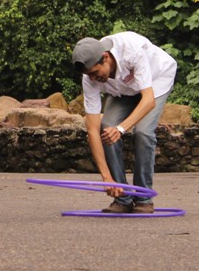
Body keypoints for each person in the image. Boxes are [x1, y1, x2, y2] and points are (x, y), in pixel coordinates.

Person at [72, 33, 177, 214]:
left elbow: (148, 100)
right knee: (107, 127)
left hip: (156, 80)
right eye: (90, 76)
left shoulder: (131, 50)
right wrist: (106, 178)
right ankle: (122, 197)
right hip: (123, 90)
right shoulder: (90, 77)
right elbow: (92, 129)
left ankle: (144, 198)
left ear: (105, 57)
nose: (94, 79)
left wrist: (121, 129)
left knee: (142, 132)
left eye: (96, 74)